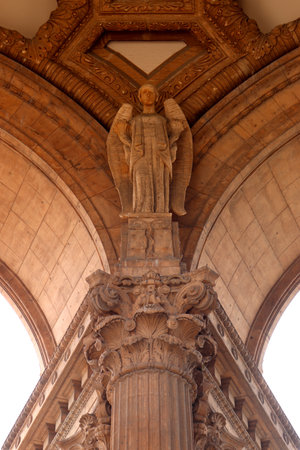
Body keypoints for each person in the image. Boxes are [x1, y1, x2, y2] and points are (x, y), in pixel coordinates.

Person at [115, 84, 178, 213]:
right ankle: (141, 211)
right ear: (140, 97)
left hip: (159, 158)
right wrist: (122, 135)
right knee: (141, 182)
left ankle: (160, 211)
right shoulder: (135, 121)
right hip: (140, 158)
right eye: (145, 92)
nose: (148, 95)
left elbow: (169, 144)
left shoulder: (162, 121)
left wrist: (176, 133)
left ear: (156, 98)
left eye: (151, 92)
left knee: (159, 184)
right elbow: (130, 147)